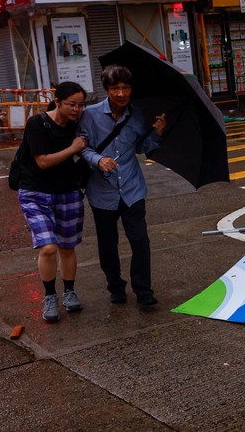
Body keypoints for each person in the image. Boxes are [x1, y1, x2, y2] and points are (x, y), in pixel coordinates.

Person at [78, 65, 166, 307]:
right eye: (115, 88)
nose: (120, 93)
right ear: (106, 89)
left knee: (140, 241)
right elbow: (81, 147)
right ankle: (115, 286)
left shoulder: (138, 114)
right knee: (108, 245)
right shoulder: (90, 115)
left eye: (125, 88)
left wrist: (156, 134)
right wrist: (98, 159)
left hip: (131, 188)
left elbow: (139, 148)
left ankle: (144, 291)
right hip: (102, 191)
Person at [16, 81, 88, 322]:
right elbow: (43, 161)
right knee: (48, 247)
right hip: (35, 192)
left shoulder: (79, 124)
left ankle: (69, 292)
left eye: (80, 105)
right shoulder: (37, 123)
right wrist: (73, 148)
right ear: (57, 101)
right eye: (71, 104)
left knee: (67, 247)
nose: (77, 109)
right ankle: (49, 296)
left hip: (67, 191)